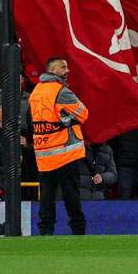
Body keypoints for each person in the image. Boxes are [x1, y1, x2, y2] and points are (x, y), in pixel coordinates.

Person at [30, 56, 89, 235]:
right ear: (53, 70)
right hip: (66, 152)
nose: (67, 70)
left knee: (46, 196)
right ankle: (78, 230)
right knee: (71, 194)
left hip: (43, 153)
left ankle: (46, 231)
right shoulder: (61, 91)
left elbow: (31, 120)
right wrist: (66, 120)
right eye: (63, 67)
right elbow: (83, 114)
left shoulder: (35, 91)